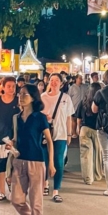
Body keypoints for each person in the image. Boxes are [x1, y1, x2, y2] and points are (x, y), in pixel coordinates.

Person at [10, 83, 55, 215]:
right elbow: (15, 139)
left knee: (36, 201)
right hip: (19, 160)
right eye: (20, 94)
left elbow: (49, 141)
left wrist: (51, 163)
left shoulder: (39, 117)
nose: (21, 97)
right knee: (16, 199)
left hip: (37, 161)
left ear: (33, 98)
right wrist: (11, 146)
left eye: (25, 94)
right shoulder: (16, 118)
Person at [41, 73, 75, 202]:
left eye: (56, 80)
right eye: (51, 80)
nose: (54, 82)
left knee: (59, 161)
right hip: (44, 134)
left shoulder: (65, 98)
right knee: (44, 161)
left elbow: (68, 117)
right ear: (48, 82)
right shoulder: (42, 97)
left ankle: (56, 190)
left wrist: (69, 134)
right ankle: (45, 183)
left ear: (61, 83)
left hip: (60, 133)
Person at [76, 81, 104, 185]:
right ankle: (97, 175)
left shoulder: (83, 101)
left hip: (84, 129)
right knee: (98, 153)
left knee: (85, 154)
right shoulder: (100, 102)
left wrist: (77, 128)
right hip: (97, 130)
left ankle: (88, 178)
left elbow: (78, 116)